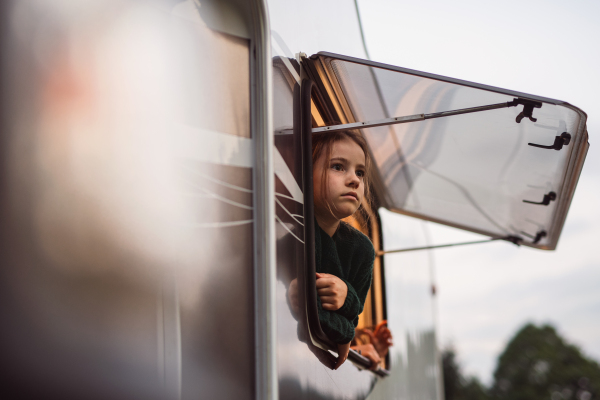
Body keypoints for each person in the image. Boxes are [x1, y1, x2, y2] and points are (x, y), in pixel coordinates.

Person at [312, 130, 375, 370]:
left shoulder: (361, 250)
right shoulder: (291, 227)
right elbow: (338, 327)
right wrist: (344, 331)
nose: (355, 180)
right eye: (338, 167)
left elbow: (351, 320)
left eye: (360, 172)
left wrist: (346, 295)